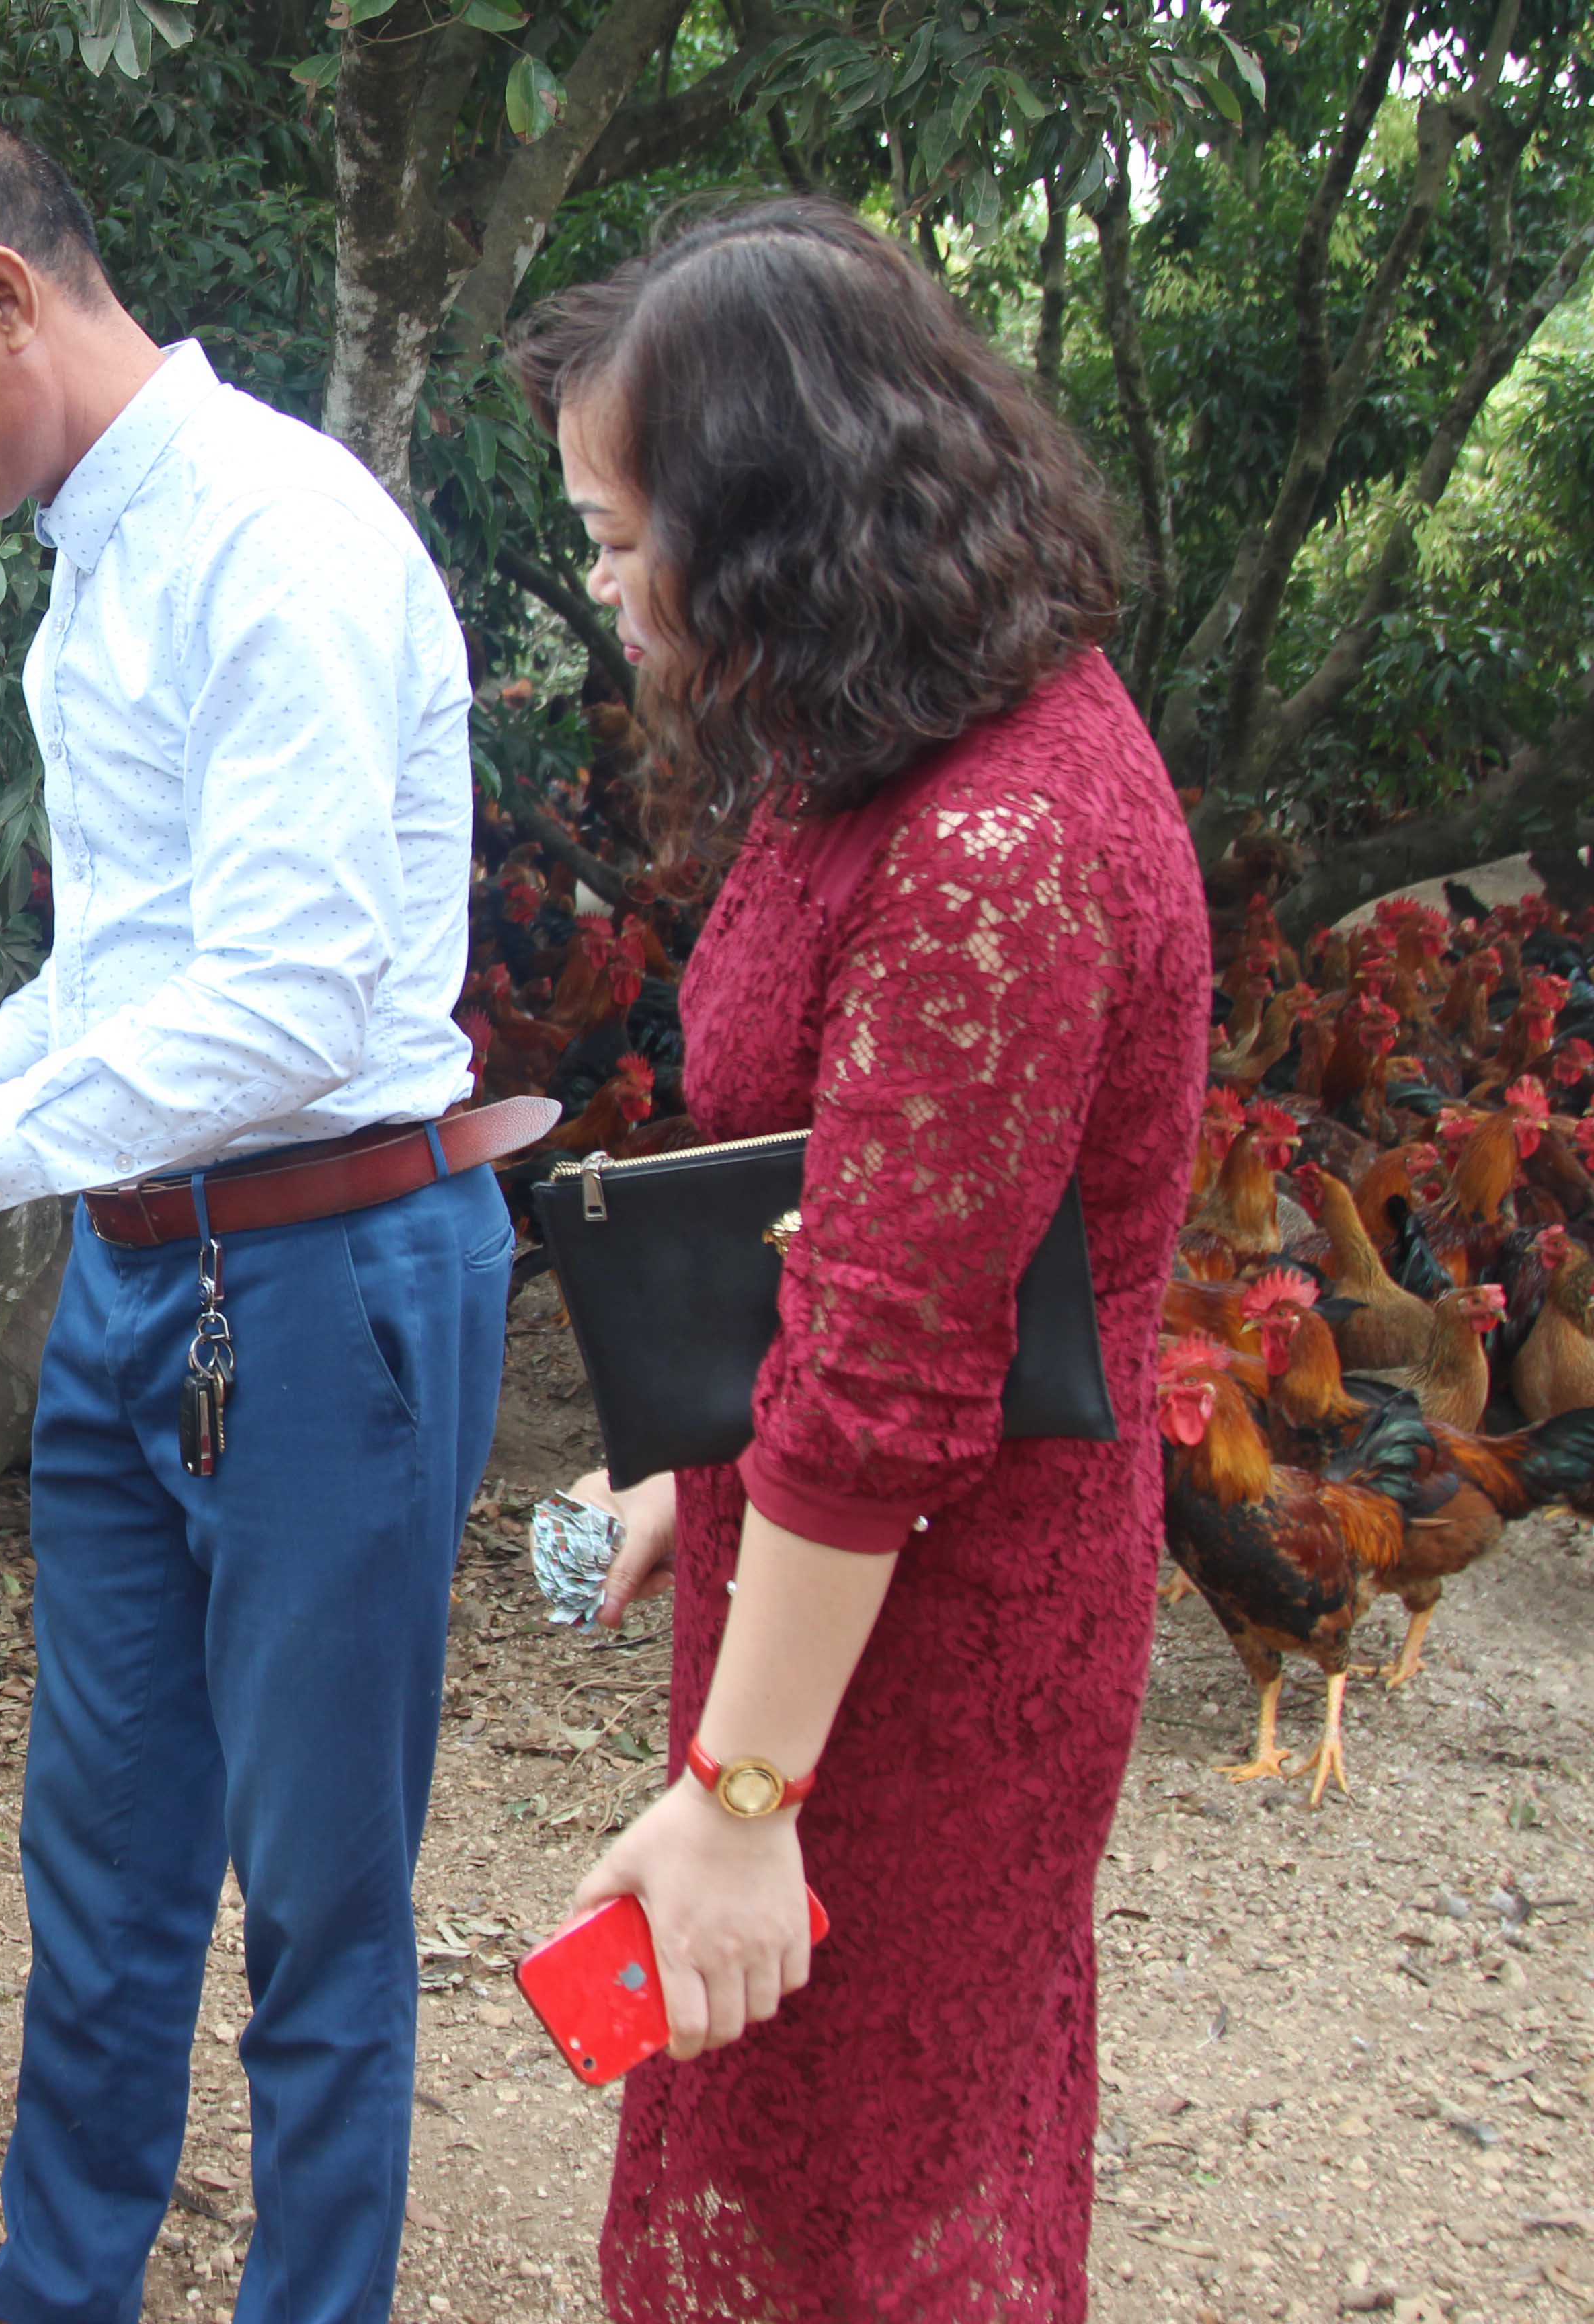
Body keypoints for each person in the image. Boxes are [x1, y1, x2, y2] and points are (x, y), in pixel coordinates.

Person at [0, 101, 541, 2324]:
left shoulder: (281, 542)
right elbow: (147, 955)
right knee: (106, 1847)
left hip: (332, 1272)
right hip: (160, 1279)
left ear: (5, 297)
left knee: (322, 1887)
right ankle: (59, 2286)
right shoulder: (103, 559)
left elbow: (297, 994)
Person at [517, 200, 1207, 2320]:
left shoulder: (999, 843)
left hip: (931, 1629)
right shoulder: (876, 756)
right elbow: (852, 1204)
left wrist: (743, 1794)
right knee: (783, 2121)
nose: (612, 593)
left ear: (781, 524)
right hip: (826, 1580)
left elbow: (899, 1365)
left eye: (628, 541)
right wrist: (685, 1470)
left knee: (877, 2177)